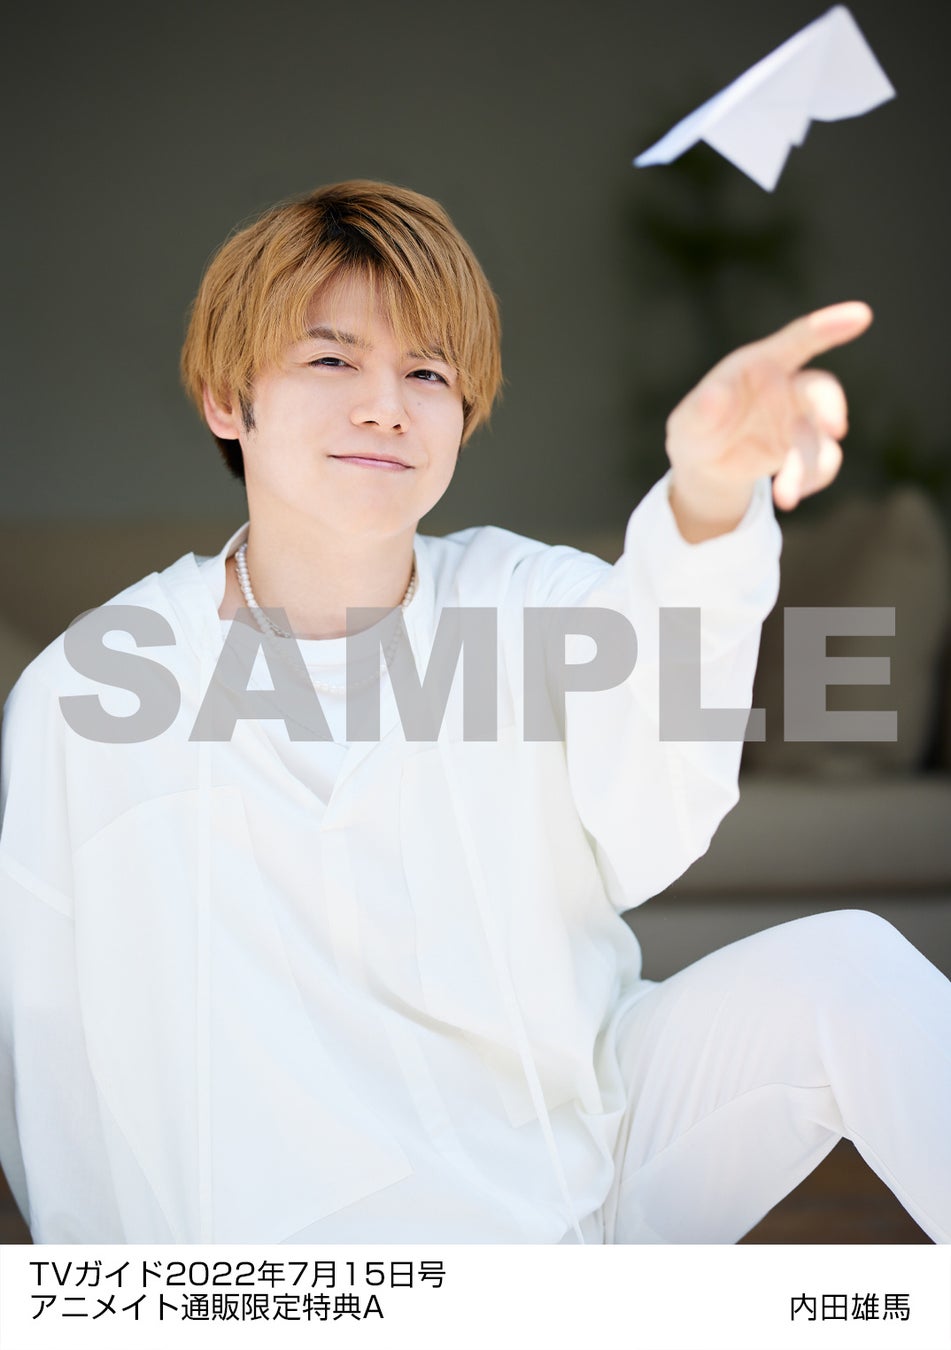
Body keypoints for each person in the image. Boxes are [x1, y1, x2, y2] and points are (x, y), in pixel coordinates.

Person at [0, 180, 948, 1245]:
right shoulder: (94, 692)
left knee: (851, 969)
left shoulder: (527, 599)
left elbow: (653, 805)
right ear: (229, 399)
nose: (386, 407)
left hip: (587, 1164)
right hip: (319, 1268)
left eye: (427, 372)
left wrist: (711, 493)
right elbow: (56, 1062)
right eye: (331, 361)